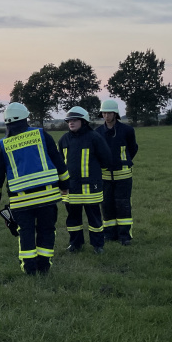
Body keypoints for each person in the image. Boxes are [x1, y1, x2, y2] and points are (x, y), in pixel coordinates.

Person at [0, 102, 69, 275]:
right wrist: (65, 185)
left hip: (20, 200)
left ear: (7, 122)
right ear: (26, 117)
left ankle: (29, 269)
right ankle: (44, 266)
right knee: (46, 230)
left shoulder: (4, 144)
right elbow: (58, 161)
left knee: (25, 232)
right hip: (47, 196)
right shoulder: (42, 135)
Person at [58, 106, 113, 254]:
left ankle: (98, 245)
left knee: (94, 219)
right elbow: (59, 163)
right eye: (69, 120)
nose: (71, 123)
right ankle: (75, 244)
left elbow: (106, 159)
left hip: (91, 188)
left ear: (84, 121)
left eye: (74, 120)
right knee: (73, 220)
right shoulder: (64, 139)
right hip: (71, 188)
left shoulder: (94, 138)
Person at [95, 99, 138, 246]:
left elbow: (133, 149)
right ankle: (109, 234)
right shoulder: (98, 132)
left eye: (109, 113)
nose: (106, 116)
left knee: (123, 205)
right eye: (104, 113)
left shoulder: (127, 130)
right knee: (106, 205)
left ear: (116, 114)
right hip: (105, 176)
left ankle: (125, 236)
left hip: (124, 176)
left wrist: (123, 161)